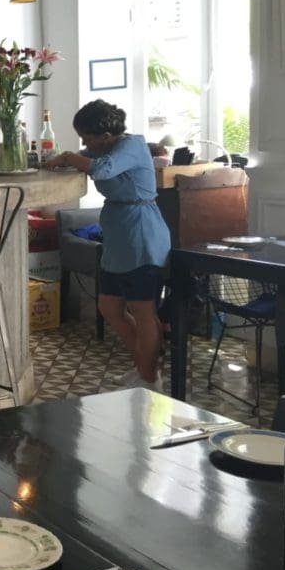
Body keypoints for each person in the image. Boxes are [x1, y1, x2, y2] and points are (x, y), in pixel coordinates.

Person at [44, 100, 171, 389]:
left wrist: (68, 156)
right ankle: (143, 366)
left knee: (143, 311)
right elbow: (84, 158)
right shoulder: (100, 148)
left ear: (106, 136)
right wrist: (62, 159)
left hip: (142, 233)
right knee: (109, 306)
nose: (84, 143)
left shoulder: (131, 146)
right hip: (117, 235)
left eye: (88, 137)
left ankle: (150, 379)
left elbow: (102, 170)